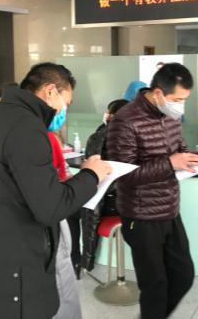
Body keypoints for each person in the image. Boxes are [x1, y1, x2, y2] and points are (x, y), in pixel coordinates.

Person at [0, 62, 112, 319]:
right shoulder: (27, 128)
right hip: (17, 270)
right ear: (50, 91)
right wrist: (91, 174)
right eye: (66, 103)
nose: (64, 111)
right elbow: (51, 208)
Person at [107, 63, 198, 319]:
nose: (180, 106)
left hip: (169, 209)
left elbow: (178, 149)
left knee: (183, 275)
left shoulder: (170, 115)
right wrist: (170, 164)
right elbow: (124, 174)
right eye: (177, 100)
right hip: (140, 216)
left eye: (184, 100)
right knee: (154, 286)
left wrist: (196, 157)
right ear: (158, 93)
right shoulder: (125, 120)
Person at [81, 98, 129, 272]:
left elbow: (90, 166)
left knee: (80, 206)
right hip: (128, 203)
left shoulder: (97, 135)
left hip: (104, 204)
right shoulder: (134, 136)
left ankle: (84, 260)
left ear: (109, 116)